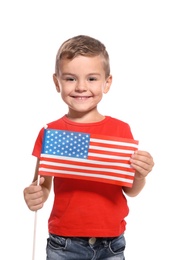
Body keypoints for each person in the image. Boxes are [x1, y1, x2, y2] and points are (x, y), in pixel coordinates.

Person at [23, 35, 154, 260]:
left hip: (111, 243)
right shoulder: (51, 132)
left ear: (107, 82)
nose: (82, 87)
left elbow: (130, 190)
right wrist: (35, 194)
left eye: (92, 78)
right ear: (57, 82)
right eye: (71, 79)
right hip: (64, 243)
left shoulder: (121, 130)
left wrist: (140, 175)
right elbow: (42, 184)